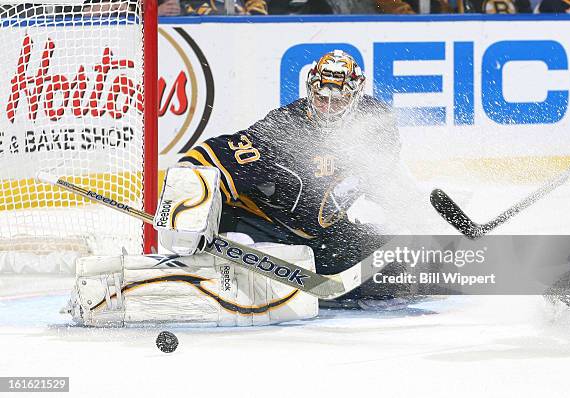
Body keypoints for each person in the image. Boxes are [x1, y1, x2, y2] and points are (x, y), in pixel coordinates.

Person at [177, 50, 426, 307]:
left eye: (338, 101)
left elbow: (381, 180)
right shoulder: (286, 127)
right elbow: (219, 157)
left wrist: (416, 212)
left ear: (355, 96)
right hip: (265, 228)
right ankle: (231, 260)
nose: (328, 108)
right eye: (320, 98)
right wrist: (186, 191)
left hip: (322, 236)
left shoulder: (374, 125)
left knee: (400, 269)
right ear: (311, 90)